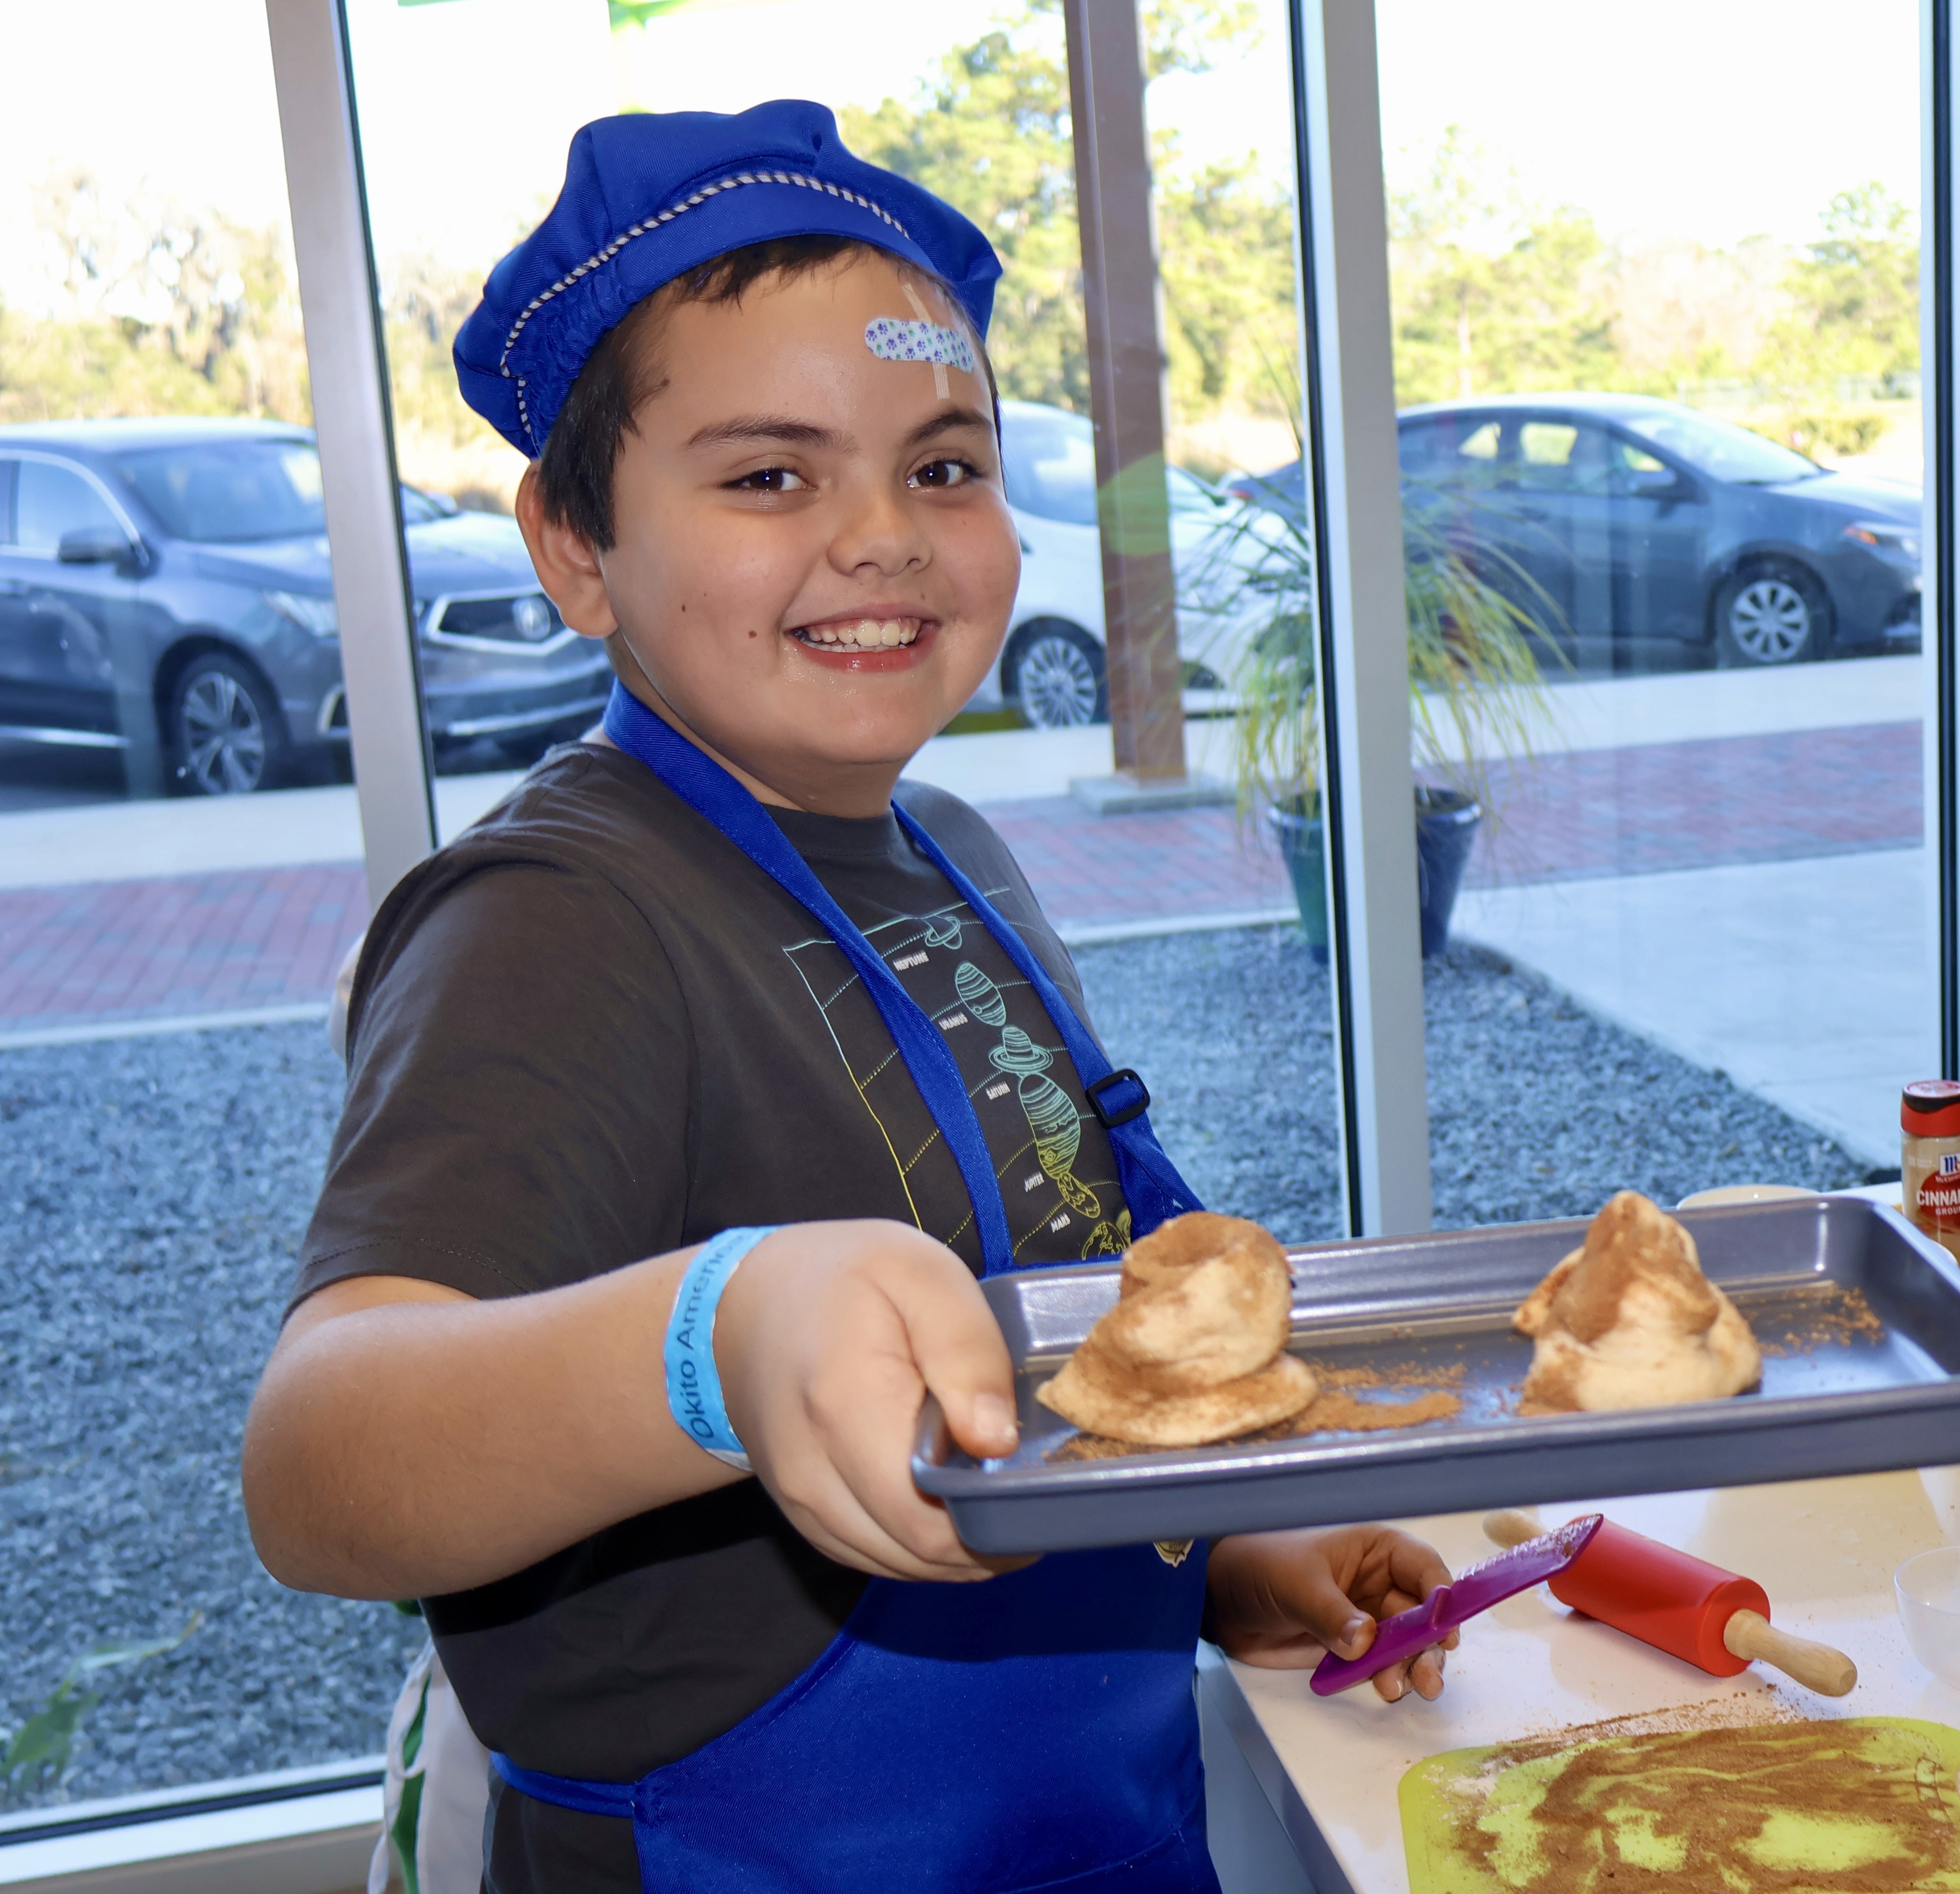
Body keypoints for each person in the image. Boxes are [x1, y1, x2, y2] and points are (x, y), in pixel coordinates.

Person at [241, 102, 1451, 1894]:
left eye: (943, 467)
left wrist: (1217, 1552)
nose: (884, 536)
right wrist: (715, 1338)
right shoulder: (558, 919)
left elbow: (1035, 1325)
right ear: (575, 551)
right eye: (769, 475)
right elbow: (320, 1458)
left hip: (1099, 1830)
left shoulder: (951, 848)